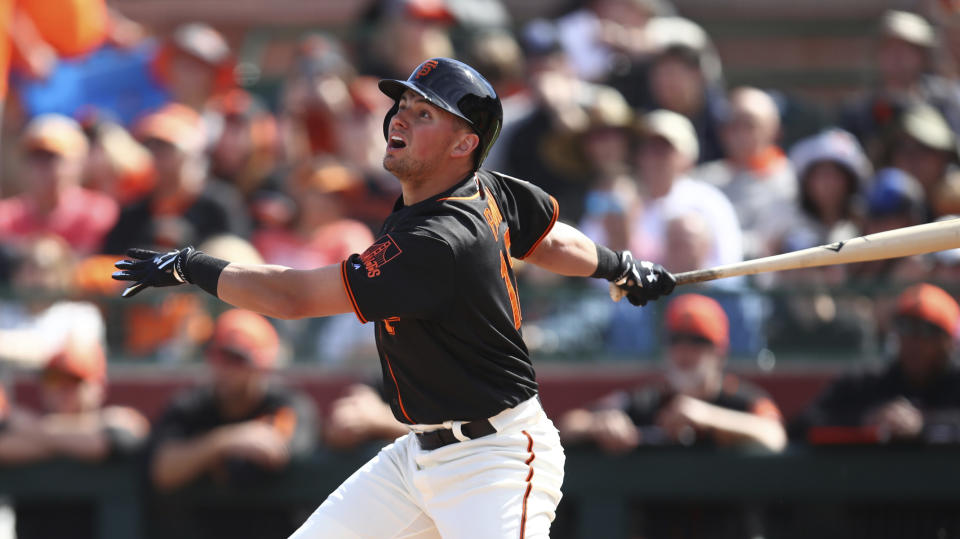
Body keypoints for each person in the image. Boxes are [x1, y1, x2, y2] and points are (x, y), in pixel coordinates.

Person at [112, 57, 676, 538]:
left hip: (496, 459)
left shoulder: (438, 240)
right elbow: (549, 238)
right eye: (403, 103)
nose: (400, 115)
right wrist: (619, 265)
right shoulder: (482, 187)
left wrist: (193, 266)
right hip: (418, 457)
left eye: (423, 112)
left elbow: (294, 296)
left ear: (464, 143)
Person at [146, 308, 317, 539]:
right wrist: (225, 441)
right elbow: (164, 471)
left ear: (262, 365)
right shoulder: (191, 406)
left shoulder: (286, 404)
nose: (224, 368)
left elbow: (274, 454)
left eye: (237, 359)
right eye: (218, 356)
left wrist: (208, 460)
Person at [560, 293, 785, 452]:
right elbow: (568, 425)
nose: (683, 351)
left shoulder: (742, 397)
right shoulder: (648, 398)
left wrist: (707, 417)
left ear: (720, 352)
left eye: (697, 341)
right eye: (675, 340)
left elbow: (775, 436)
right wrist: (600, 424)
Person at [0, 340, 149, 539]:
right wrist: (63, 440)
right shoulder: (26, 432)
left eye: (72, 381)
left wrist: (34, 429)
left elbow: (112, 441)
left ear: (98, 387)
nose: (61, 389)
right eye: (53, 379)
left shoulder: (118, 420)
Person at [794, 283, 960, 444]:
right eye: (904, 327)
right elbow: (803, 424)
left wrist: (924, 424)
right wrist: (865, 420)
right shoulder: (868, 382)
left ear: (946, 341)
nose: (912, 340)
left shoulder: (955, 382)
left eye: (925, 330)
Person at [102, 103, 251, 254]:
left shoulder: (221, 203)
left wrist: (188, 248)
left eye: (165, 147)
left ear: (193, 153)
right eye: (150, 145)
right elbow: (110, 261)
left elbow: (237, 261)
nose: (155, 154)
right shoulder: (133, 208)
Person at [694, 86, 797, 259]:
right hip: (709, 278)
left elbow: (770, 243)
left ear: (774, 129)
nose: (740, 134)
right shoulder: (702, 180)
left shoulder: (793, 179)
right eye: (733, 124)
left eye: (749, 125)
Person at [0, 114, 118, 256]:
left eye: (53, 157)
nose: (42, 167)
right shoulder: (6, 217)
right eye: (35, 157)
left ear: (78, 163)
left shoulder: (100, 212)